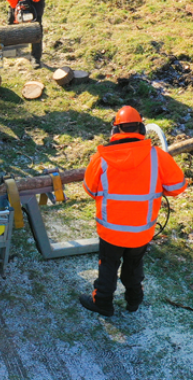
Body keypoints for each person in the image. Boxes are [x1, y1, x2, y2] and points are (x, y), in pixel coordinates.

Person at [79, 106, 187, 317]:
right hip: (141, 231)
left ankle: (102, 302)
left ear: (115, 131)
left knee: (108, 267)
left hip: (111, 231)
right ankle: (134, 301)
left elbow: (90, 190)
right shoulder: (158, 157)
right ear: (142, 129)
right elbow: (177, 188)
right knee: (134, 267)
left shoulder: (100, 159)